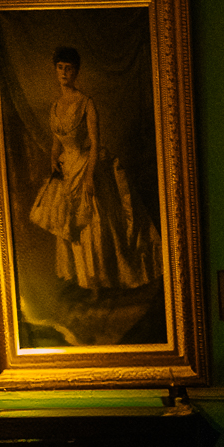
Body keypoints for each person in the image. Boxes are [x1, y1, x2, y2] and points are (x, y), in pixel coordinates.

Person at [27, 45, 159, 296]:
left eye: (69, 69)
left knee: (93, 223)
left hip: (87, 165)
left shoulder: (86, 103)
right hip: (67, 169)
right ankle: (80, 278)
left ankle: (98, 282)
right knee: (68, 224)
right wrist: (54, 159)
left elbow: (96, 143)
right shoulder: (55, 106)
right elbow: (57, 141)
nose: (64, 73)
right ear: (56, 71)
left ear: (76, 72)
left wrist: (90, 176)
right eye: (60, 68)